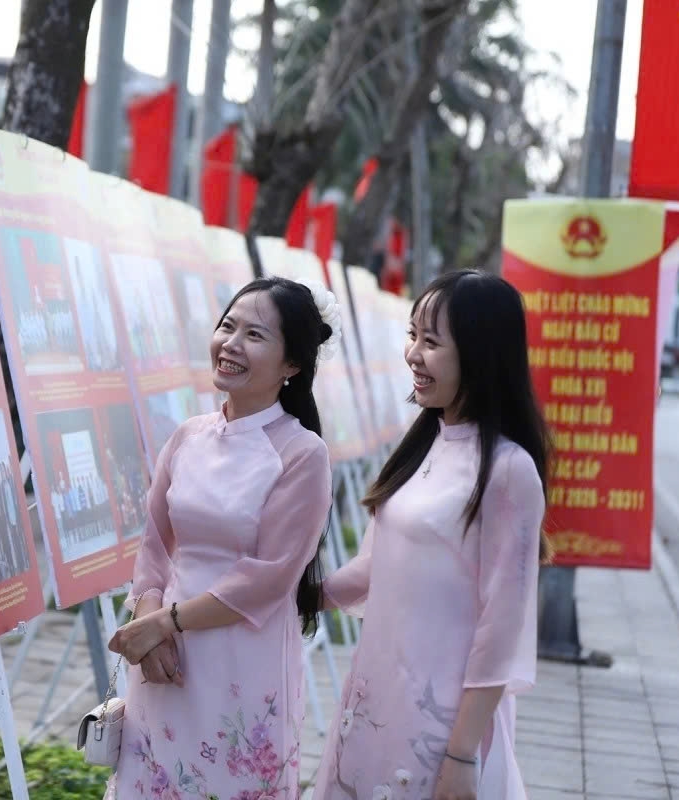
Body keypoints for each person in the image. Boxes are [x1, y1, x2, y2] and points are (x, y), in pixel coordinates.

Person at [311, 269, 551, 800]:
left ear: (482, 354)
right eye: (412, 336)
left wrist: (463, 752)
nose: (413, 355)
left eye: (432, 342)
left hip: (439, 721)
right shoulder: (423, 442)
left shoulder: (508, 471)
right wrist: (297, 593)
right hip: (374, 699)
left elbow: (502, 625)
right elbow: (375, 568)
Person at [105, 277, 338, 800]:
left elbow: (269, 578)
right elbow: (155, 545)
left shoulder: (302, 455)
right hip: (162, 657)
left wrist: (165, 622)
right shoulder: (188, 436)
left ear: (292, 365)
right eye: (227, 326)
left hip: (240, 660)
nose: (231, 344)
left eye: (254, 335)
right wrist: (149, 622)